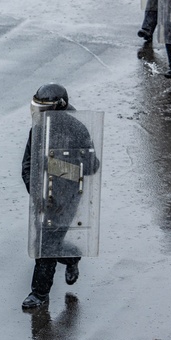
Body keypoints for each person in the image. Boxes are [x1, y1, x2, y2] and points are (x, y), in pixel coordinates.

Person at [21, 84, 101, 311]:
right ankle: (71, 256)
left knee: (46, 245)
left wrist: (57, 166)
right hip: (43, 196)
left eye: (44, 108)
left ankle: (39, 293)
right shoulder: (37, 129)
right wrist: (35, 193)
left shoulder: (76, 129)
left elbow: (92, 166)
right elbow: (27, 165)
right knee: (43, 243)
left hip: (66, 197)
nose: (39, 112)